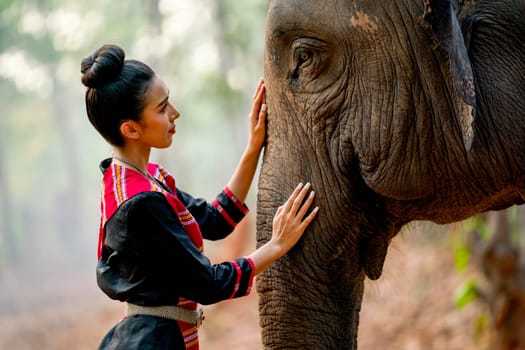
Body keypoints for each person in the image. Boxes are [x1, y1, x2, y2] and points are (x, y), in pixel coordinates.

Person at [80, 44, 318, 350]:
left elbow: (216, 220)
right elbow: (209, 284)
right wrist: (277, 244)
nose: (175, 113)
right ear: (131, 128)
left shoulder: (135, 180)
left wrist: (253, 146)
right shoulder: (140, 203)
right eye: (162, 108)